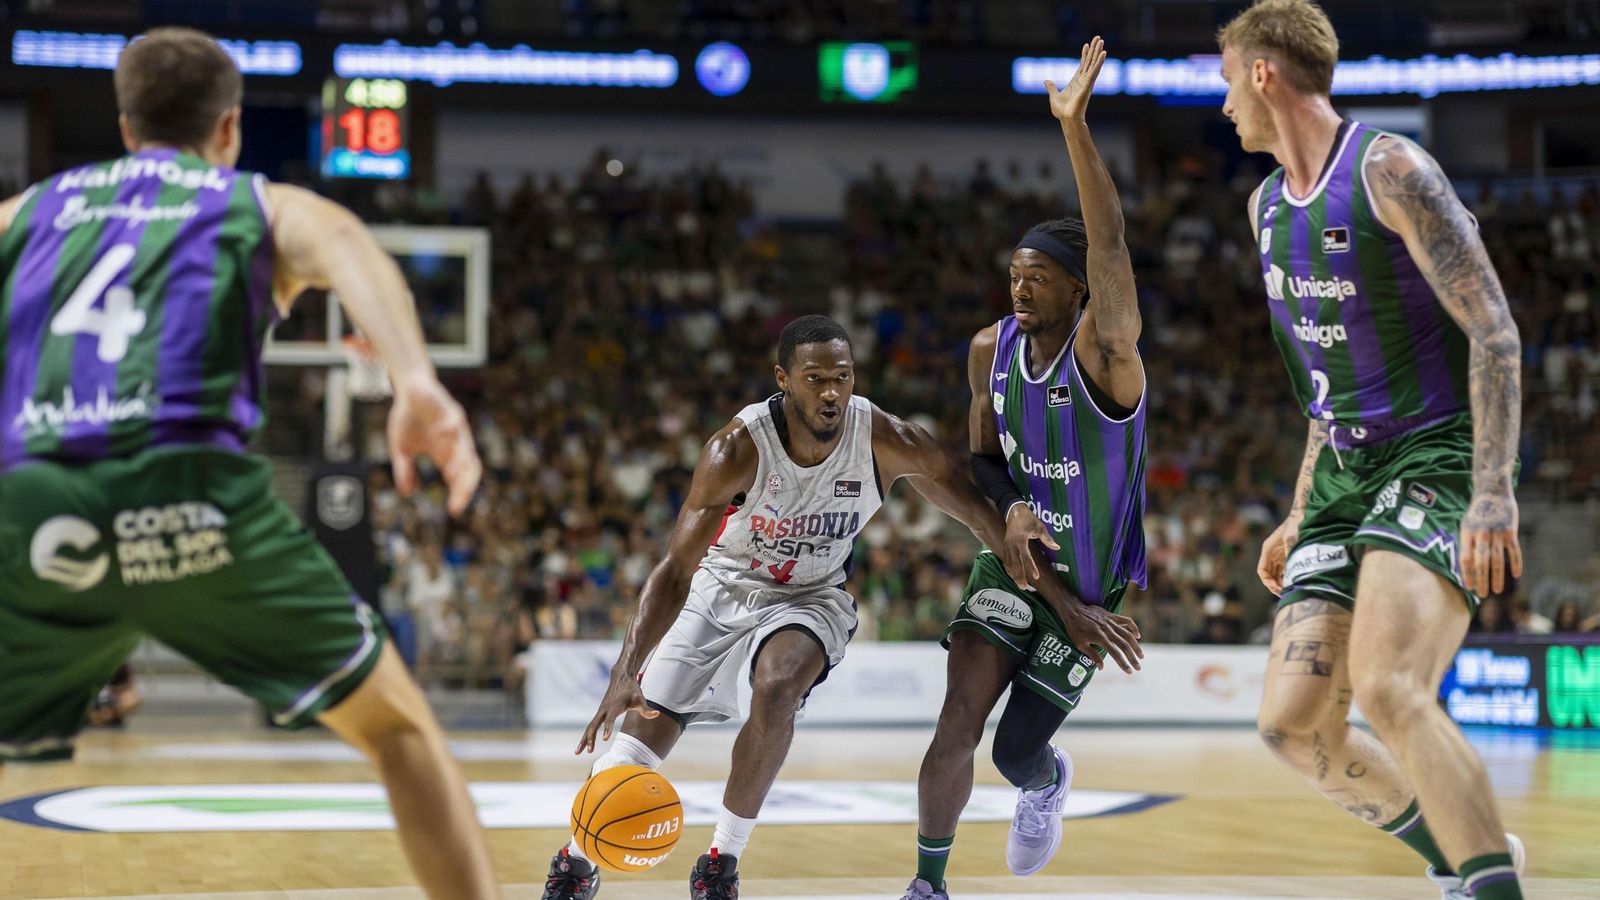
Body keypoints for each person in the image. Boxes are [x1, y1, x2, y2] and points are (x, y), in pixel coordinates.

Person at [0, 28, 498, 899]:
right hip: (189, 494)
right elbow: (347, 241)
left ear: (125, 126)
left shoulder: (29, 211)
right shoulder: (251, 202)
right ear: (229, 129)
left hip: (30, 497)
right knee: (400, 731)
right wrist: (415, 380)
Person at [543, 315, 1047, 900]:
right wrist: (627, 669)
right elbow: (676, 569)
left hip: (812, 594)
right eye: (815, 379)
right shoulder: (735, 448)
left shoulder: (885, 438)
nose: (832, 392)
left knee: (779, 686)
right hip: (723, 582)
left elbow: (974, 509)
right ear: (783, 379)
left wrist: (1021, 550)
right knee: (639, 739)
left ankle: (721, 863)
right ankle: (577, 858)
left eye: (843, 377)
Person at [1218, 2, 1526, 897]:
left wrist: (1494, 490)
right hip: (1345, 472)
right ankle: (1466, 854)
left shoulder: (1391, 169)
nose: (1225, 100)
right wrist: (1301, 506)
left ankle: (1488, 883)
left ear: (1265, 73)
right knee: (1292, 727)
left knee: (1390, 687)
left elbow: (1495, 332)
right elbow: (1323, 386)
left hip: (1433, 452)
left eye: (1228, 78)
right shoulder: (1265, 207)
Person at [900, 38, 1147, 900]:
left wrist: (1074, 129)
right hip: (1017, 563)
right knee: (957, 718)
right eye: (1015, 273)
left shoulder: (1109, 357)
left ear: (1082, 291)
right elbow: (977, 459)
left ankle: (1044, 782)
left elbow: (1111, 241)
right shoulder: (986, 353)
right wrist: (1005, 509)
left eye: (1040, 277)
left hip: (1091, 584)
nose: (1021, 287)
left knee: (1013, 750)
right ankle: (928, 885)